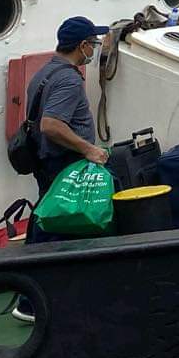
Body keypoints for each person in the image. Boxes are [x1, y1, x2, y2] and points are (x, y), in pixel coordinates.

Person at [24, 15, 111, 239]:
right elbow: (50, 125)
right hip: (64, 166)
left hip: (44, 162)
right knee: (64, 222)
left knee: (48, 211)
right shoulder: (69, 79)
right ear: (83, 46)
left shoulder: (43, 74)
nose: (94, 49)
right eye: (93, 44)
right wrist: (88, 149)